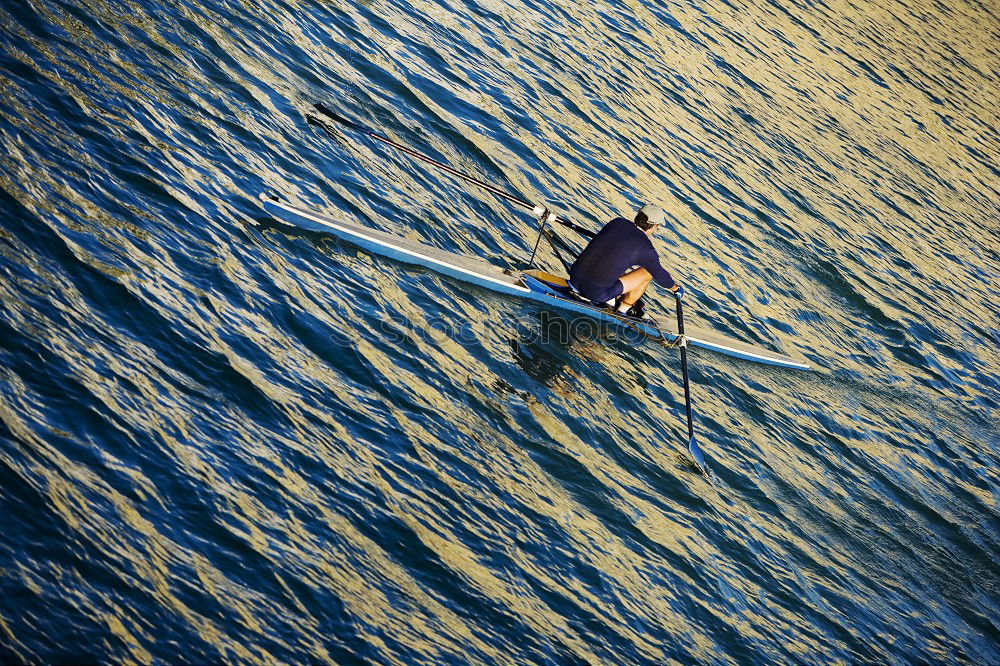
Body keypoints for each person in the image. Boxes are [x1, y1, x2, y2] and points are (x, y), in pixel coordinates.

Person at [568, 204, 683, 319]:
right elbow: (662, 278)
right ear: (653, 227)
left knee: (613, 257)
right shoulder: (646, 249)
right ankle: (622, 311)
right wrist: (676, 289)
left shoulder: (617, 222)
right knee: (648, 272)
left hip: (574, 277)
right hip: (596, 293)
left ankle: (612, 300)